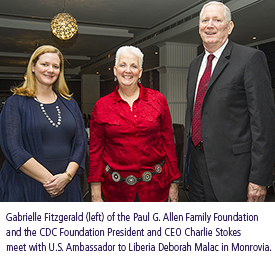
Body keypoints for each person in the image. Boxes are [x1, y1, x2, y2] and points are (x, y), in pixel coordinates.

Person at [184, 1, 275, 202]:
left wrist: (260, 178)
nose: (210, 25)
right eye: (205, 20)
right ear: (199, 27)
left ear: (230, 26)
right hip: (196, 165)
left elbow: (263, 123)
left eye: (217, 20)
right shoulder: (194, 65)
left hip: (234, 173)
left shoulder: (250, 59)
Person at [88, 45, 180, 202]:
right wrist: (95, 192)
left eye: (133, 66)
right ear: (115, 70)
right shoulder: (101, 106)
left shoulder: (158, 100)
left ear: (140, 72)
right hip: (115, 192)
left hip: (156, 190)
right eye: (123, 65)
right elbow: (95, 151)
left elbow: (169, 145)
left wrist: (174, 184)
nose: (128, 70)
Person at [0, 45, 87, 201]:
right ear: (33, 67)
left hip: (68, 185)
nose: (50, 70)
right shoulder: (15, 103)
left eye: (56, 66)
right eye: (45, 64)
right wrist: (51, 181)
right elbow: (13, 148)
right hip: (26, 186)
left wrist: (66, 177)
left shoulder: (70, 103)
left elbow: (80, 144)